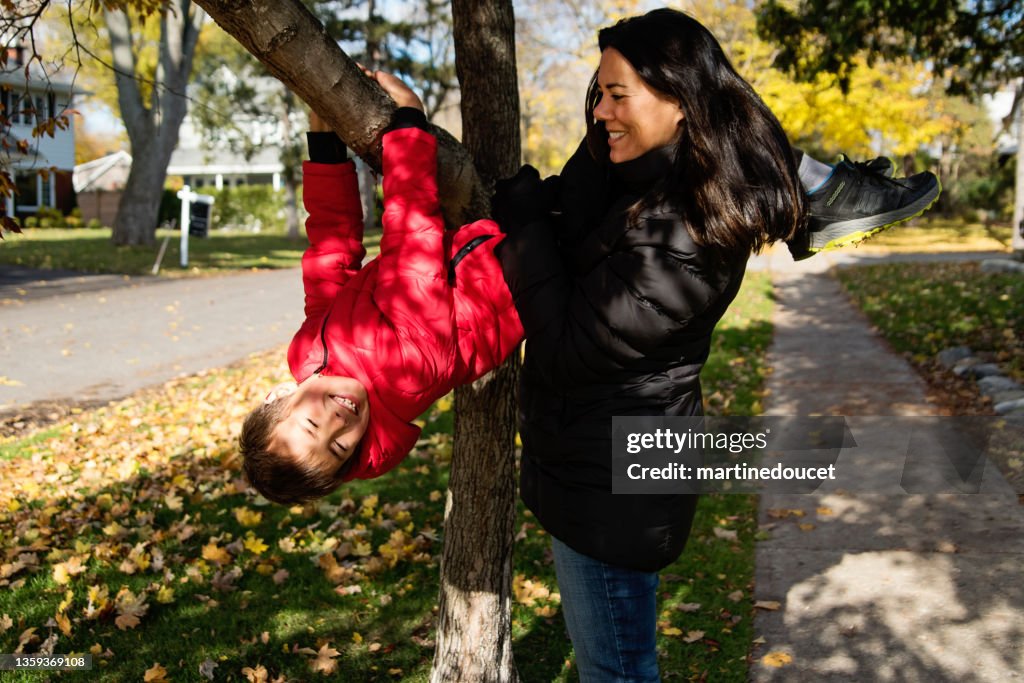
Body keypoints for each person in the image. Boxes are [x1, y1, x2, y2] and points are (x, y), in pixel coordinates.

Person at [492, 8, 938, 681]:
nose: (601, 112)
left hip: (618, 479)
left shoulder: (688, 235)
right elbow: (577, 210)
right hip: (593, 464)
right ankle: (826, 192)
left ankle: (826, 193)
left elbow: (562, 344)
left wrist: (525, 228)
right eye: (598, 92)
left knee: (617, 670)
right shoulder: (641, 169)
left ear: (679, 104)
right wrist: (550, 196)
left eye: (619, 96)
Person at [238, 71, 523, 504]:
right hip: (512, 259)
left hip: (461, 253)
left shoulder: (313, 358)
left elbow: (330, 253)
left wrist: (326, 150)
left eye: (313, 427)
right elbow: (412, 242)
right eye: (338, 449)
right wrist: (408, 125)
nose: (338, 423)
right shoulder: (403, 376)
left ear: (279, 397)